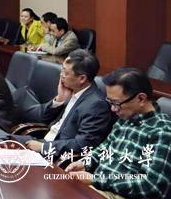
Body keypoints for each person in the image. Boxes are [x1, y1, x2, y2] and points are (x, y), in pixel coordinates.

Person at [65, 68, 171, 199]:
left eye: (116, 103)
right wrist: (85, 163)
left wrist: (96, 179)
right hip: (99, 187)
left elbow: (150, 186)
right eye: (110, 102)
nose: (113, 109)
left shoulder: (161, 132)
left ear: (141, 98)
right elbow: (104, 149)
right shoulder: (125, 118)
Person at [21, 49, 112, 157]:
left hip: (55, 154)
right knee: (5, 140)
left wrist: (44, 147)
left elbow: (82, 144)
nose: (61, 75)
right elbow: (39, 118)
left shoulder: (96, 105)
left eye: (65, 73)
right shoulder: (71, 90)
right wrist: (59, 100)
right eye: (62, 70)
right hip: (42, 141)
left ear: (82, 78)